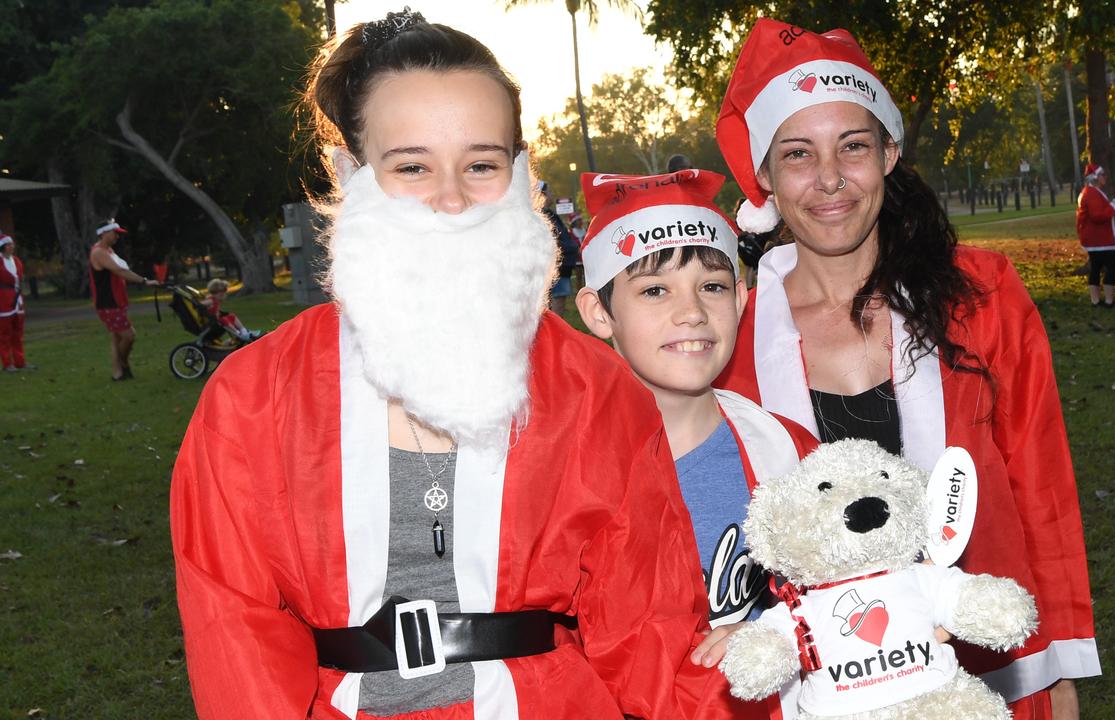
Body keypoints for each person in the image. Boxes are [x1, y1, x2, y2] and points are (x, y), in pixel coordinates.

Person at [172, 12, 729, 720]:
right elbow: (238, 645)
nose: (451, 200)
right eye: (411, 166)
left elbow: (649, 637)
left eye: (481, 165)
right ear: (350, 175)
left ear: (520, 173)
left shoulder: (594, 389)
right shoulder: (252, 398)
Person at [712, 19, 1098, 719]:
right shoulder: (726, 334)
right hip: (816, 692)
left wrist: (1059, 665)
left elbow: (1042, 484)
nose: (829, 179)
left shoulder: (982, 295)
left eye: (852, 146)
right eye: (798, 154)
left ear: (889, 151)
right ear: (765, 176)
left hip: (988, 672)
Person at [574, 168, 818, 718]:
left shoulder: (787, 450)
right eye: (655, 290)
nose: (691, 312)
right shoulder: (573, 479)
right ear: (598, 312)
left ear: (740, 297)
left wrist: (787, 633)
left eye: (711, 287)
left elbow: (858, 587)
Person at [89, 219, 158, 380]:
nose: (117, 237)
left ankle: (118, 373)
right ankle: (123, 364)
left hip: (117, 300)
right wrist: (144, 281)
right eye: (115, 233)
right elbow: (120, 271)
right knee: (128, 335)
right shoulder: (98, 252)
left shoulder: (109, 251)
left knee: (117, 337)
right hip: (108, 302)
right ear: (104, 233)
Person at [1075, 163, 1115, 308]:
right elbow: (1097, 215)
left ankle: (1096, 300)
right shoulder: (1092, 193)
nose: (1105, 178)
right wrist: (1113, 206)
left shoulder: (1089, 192)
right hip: (1101, 239)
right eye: (1102, 175)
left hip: (1095, 238)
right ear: (1095, 177)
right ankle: (1108, 300)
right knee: (1112, 266)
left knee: (1096, 267)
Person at [539, 181, 578, 317]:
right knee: (557, 300)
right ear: (542, 194)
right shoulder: (543, 216)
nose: (552, 194)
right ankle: (554, 335)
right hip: (556, 266)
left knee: (556, 300)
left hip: (561, 265)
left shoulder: (548, 214)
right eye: (549, 192)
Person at [0, 233, 28, 371]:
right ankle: (7, 364)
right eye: (9, 244)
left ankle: (20, 361)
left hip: (17, 300)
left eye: (12, 244)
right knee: (4, 334)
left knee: (18, 332)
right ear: (3, 247)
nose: (12, 246)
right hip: (3, 301)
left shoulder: (16, 261)